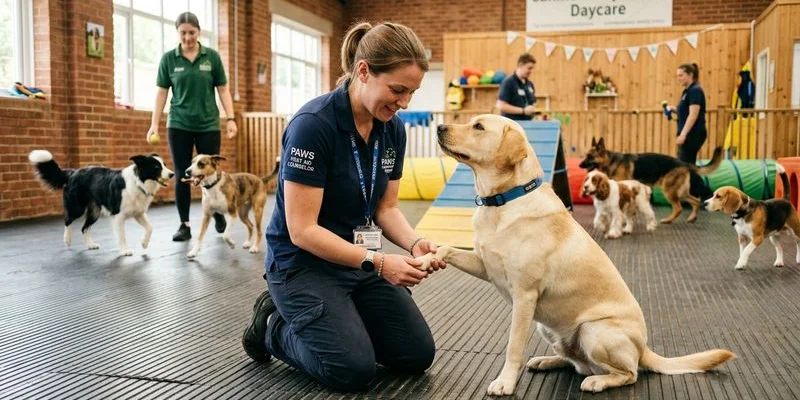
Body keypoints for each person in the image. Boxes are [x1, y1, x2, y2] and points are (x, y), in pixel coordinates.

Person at [241, 21, 446, 391]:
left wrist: (415, 244)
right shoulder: (313, 125)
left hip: (358, 261)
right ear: (364, 70)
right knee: (352, 370)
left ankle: (340, 321)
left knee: (416, 355)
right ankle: (272, 325)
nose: (403, 103)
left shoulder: (392, 129)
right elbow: (302, 231)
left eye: (411, 93)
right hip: (304, 264)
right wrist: (381, 262)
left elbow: (385, 209)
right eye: (397, 90)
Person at [147, 11, 237, 241]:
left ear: (199, 32)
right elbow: (161, 93)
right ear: (178, 33)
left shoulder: (212, 57)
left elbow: (223, 90)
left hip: (208, 123)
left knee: (211, 170)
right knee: (181, 174)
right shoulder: (169, 59)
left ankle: (216, 213)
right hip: (179, 124)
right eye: (183, 33)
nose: (187, 37)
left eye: (192, 32)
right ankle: (184, 224)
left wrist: (231, 118)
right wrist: (154, 125)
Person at [671, 63, 707, 164]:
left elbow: (693, 115)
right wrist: (673, 109)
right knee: (684, 163)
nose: (678, 78)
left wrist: (683, 134)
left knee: (684, 165)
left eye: (681, 75)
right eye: (677, 76)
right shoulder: (687, 92)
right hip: (688, 133)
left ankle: (693, 180)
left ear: (690, 75)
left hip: (693, 134)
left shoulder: (695, 90)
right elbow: (684, 112)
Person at [496, 53, 537, 121]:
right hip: (511, 124)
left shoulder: (530, 84)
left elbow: (533, 103)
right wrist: (523, 111)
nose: (531, 71)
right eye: (529, 68)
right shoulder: (508, 82)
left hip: (528, 124)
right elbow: (501, 106)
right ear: (520, 65)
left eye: (532, 68)